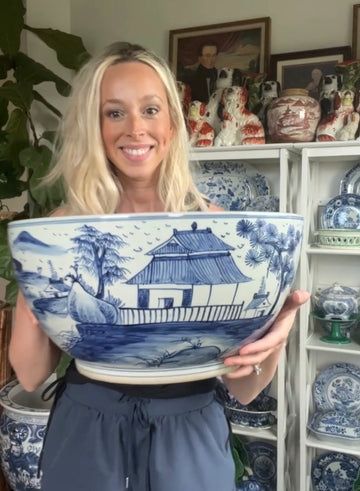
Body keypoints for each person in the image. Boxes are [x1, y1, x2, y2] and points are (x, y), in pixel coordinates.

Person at [9, 42, 309, 491]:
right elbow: (31, 374)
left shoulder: (216, 225)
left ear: (172, 120)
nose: (135, 129)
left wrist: (270, 333)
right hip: (86, 427)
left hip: (191, 430)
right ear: (94, 125)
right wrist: (35, 288)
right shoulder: (63, 229)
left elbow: (246, 390)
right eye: (114, 113)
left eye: (150, 109)